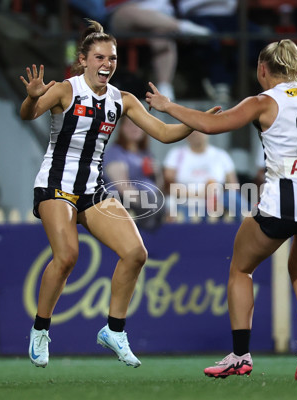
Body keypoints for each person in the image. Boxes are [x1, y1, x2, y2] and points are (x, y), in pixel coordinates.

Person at [146, 39, 297, 380]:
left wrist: (167, 105)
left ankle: (240, 354)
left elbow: (211, 126)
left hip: (282, 199)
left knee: (241, 270)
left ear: (263, 70)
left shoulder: (262, 102)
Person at [19, 19, 219, 368]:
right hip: (55, 186)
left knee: (136, 253)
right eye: (99, 57)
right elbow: (29, 114)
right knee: (66, 256)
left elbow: (163, 133)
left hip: (91, 190)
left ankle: (114, 330)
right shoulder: (66, 90)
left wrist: (195, 122)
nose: (107, 64)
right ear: (82, 60)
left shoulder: (121, 100)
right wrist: (32, 97)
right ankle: (40, 329)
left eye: (111, 58)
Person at [105, 0, 211, 100]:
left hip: (159, 19)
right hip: (123, 15)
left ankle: (164, 88)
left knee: (161, 35)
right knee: (127, 12)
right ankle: (182, 27)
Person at [163, 130, 241, 221]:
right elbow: (168, 187)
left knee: (235, 201)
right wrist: (201, 194)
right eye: (190, 130)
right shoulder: (176, 154)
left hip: (216, 202)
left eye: (198, 130)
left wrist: (216, 195)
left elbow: (233, 187)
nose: (195, 133)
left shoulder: (221, 155)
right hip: (186, 203)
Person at [103, 117, 164, 229]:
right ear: (121, 129)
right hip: (129, 209)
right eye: (130, 125)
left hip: (152, 208)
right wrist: (149, 205)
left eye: (138, 125)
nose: (134, 128)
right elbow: (123, 188)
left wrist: (158, 173)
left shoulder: (146, 154)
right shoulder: (115, 153)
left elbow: (159, 187)